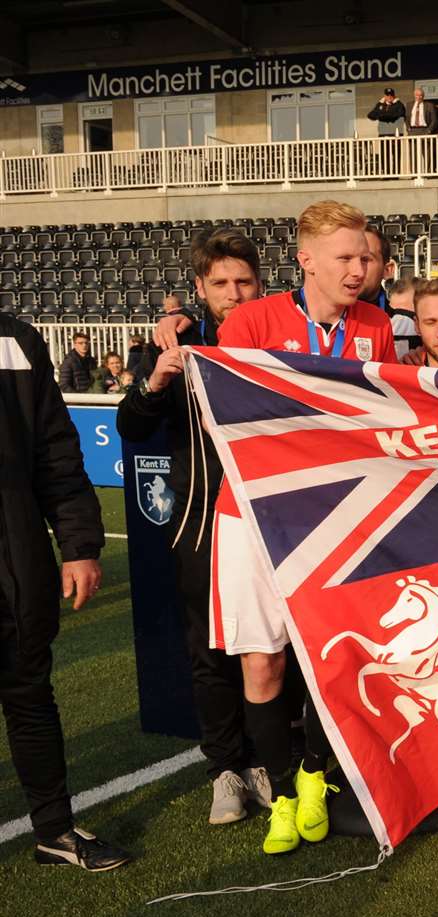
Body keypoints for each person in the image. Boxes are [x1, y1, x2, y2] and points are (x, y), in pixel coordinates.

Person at [213, 201, 397, 856]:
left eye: (366, 257)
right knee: (262, 664)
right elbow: (238, 421)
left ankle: (317, 777)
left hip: (340, 510)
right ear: (306, 259)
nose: (359, 269)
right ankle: (285, 796)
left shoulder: (376, 324)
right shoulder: (250, 321)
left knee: (335, 654)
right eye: (346, 258)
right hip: (255, 513)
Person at [117, 229, 268, 825]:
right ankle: (226, 769)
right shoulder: (176, 343)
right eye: (221, 283)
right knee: (211, 652)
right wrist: (157, 380)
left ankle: (267, 759)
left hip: (272, 522)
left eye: (244, 282)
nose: (234, 293)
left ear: (261, 282)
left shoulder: (279, 334)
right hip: (203, 525)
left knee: (270, 648)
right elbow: (132, 426)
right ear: (200, 288)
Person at [0, 312, 130, 871]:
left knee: (30, 695)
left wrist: (79, 545)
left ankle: (54, 831)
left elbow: (56, 450)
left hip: (13, 556)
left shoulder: (14, 339)